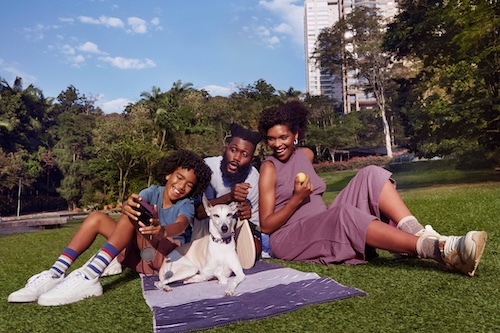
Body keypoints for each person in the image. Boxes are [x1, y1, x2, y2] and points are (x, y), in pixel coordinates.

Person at [257, 100, 487, 276]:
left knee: (371, 173)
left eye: (283, 137)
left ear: (295, 135)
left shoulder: (304, 155)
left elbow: (307, 152)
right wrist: (297, 199)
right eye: (271, 139)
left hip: (323, 220)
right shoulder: (269, 168)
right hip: (291, 239)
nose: (277, 144)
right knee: (342, 214)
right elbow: (266, 225)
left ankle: (415, 231)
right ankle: (438, 249)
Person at [8, 149, 212, 306]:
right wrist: (126, 205)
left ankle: (89, 276)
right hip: (139, 256)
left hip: (165, 260)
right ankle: (55, 273)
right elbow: (133, 205)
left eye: (189, 185)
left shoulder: (185, 204)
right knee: (97, 216)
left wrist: (163, 231)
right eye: (179, 177)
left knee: (131, 217)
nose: (182, 186)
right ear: (168, 174)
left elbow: (181, 224)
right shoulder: (152, 192)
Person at [192, 123, 268, 267]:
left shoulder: (253, 177)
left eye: (244, 154)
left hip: (231, 236)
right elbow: (197, 213)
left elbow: (253, 226)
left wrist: (246, 214)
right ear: (225, 148)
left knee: (257, 247)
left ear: (251, 158)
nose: (237, 158)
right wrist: (229, 197)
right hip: (203, 236)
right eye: (233, 150)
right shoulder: (207, 168)